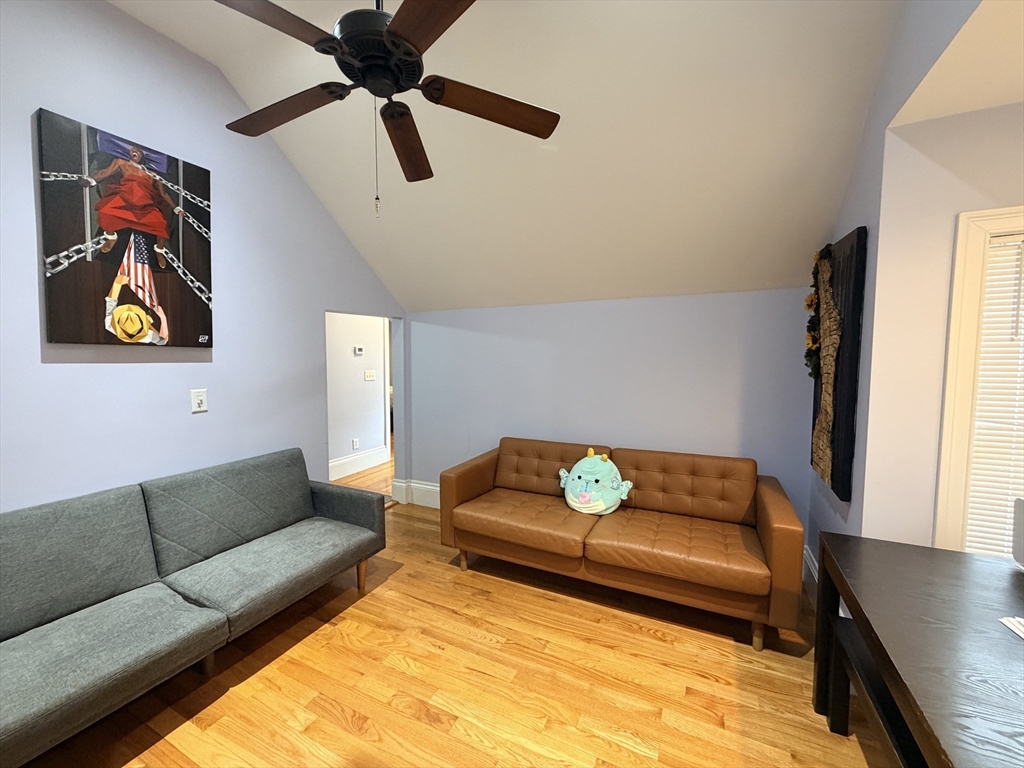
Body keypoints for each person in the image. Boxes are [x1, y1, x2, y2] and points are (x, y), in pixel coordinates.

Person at [81, 145, 184, 267]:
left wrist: (177, 209)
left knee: (161, 224)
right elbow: (104, 173)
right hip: (124, 200)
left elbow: (164, 194)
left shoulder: (152, 174)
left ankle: (159, 250)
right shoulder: (122, 163)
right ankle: (111, 237)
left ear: (143, 155)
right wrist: (91, 181)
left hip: (145, 206)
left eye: (138, 150)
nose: (134, 151)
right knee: (106, 211)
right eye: (132, 150)